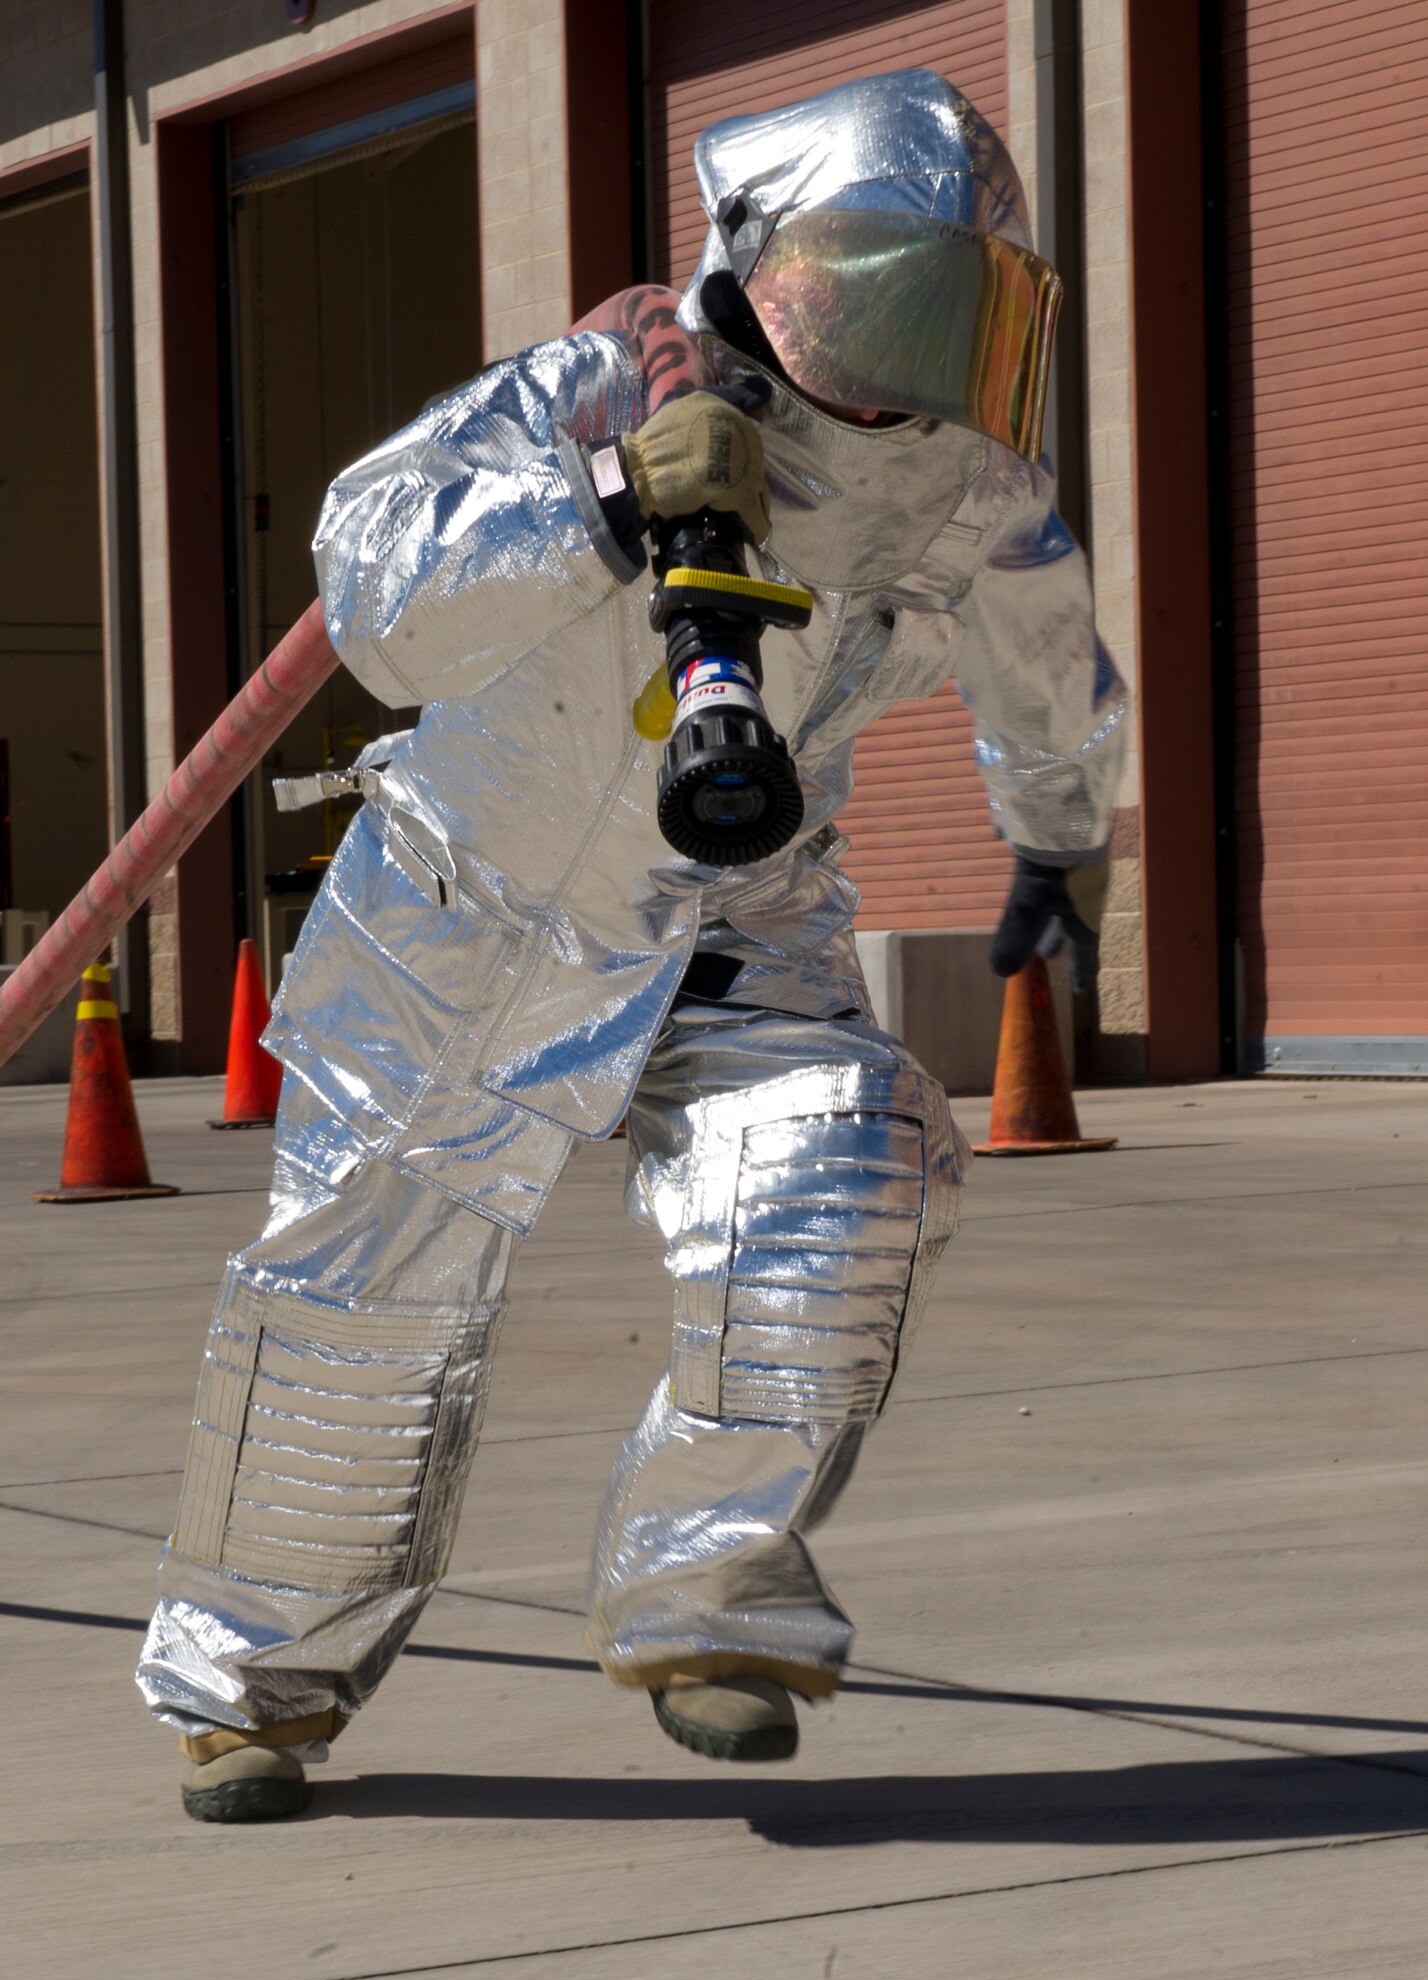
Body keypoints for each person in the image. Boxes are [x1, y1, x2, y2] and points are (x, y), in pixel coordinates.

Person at [138, 67, 1126, 1822]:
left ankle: (704, 1596)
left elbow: (1046, 657)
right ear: (768, 265)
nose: (908, 338)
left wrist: (1059, 843)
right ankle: (251, 1677)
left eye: (951, 305)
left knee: (845, 1172)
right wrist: (600, 502)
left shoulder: (956, 487)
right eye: (875, 287)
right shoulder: (587, 385)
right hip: (468, 915)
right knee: (358, 1306)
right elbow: (375, 590)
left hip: (734, 915)